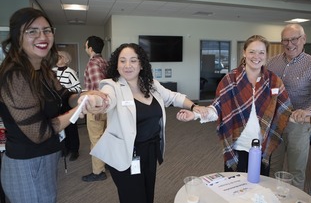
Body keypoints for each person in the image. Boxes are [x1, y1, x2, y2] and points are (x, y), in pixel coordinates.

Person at [77, 43, 207, 203]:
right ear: (116, 65)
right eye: (122, 61)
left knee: (147, 194)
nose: (127, 65)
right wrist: (92, 100)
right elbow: (104, 99)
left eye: (133, 60)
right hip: (126, 154)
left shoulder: (151, 84)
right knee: (133, 198)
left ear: (141, 64)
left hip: (150, 151)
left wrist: (194, 106)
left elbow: (173, 97)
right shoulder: (112, 86)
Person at [176, 35, 292, 176]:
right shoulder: (231, 79)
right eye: (252, 52)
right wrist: (195, 114)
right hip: (237, 145)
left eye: (261, 52)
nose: (257, 56)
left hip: (262, 147)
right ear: (244, 53)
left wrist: (307, 117)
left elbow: (284, 110)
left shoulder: (274, 81)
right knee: (234, 189)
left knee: (258, 190)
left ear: (266, 55)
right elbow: (217, 108)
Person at [0, 7, 81, 203]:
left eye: (46, 30)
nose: (42, 36)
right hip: (26, 164)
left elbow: (65, 95)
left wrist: (84, 98)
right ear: (17, 36)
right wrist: (80, 109)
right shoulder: (15, 76)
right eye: (32, 31)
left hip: (47, 157)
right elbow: (39, 132)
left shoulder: (42, 69)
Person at [267, 23, 311, 190]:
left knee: (296, 170)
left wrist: (308, 111)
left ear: (304, 39)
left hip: (299, 124)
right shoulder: (273, 62)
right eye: (285, 40)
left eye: (294, 39)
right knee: (273, 167)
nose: (289, 43)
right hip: (276, 122)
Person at [82, 35, 109, 182]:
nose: (85, 48)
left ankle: (98, 172)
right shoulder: (104, 61)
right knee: (106, 136)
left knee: (96, 139)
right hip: (108, 107)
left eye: (86, 45)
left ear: (90, 48)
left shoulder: (93, 63)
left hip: (97, 107)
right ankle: (107, 163)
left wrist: (99, 107)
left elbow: (100, 87)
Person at [52, 50, 82, 161]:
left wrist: (64, 91)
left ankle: (74, 150)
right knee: (60, 127)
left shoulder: (70, 72)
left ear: (65, 59)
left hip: (66, 102)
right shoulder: (52, 71)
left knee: (71, 127)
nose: (56, 59)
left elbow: (78, 88)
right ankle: (65, 148)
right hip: (55, 103)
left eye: (59, 57)